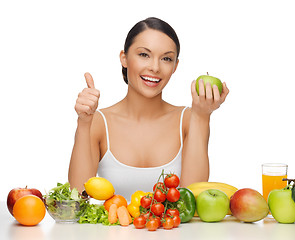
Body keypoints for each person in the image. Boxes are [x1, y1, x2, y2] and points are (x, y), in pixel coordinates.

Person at [68, 17, 229, 201]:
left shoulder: (188, 119)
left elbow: (191, 198)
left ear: (175, 66)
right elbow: (77, 196)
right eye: (144, 55)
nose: (155, 67)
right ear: (124, 58)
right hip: (115, 230)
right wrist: (84, 121)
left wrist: (202, 116)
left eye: (166, 58)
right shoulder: (98, 122)